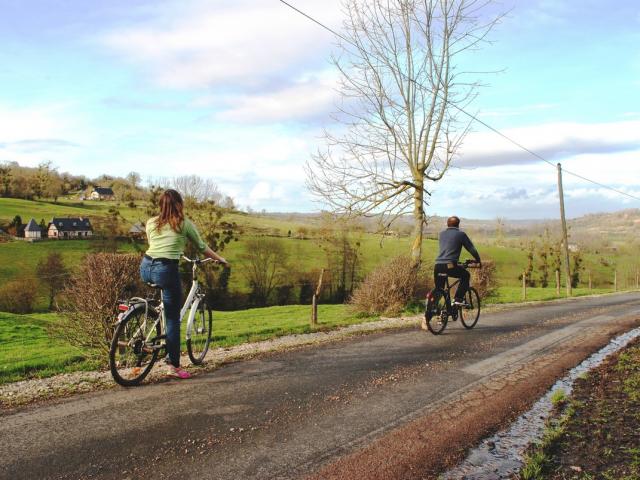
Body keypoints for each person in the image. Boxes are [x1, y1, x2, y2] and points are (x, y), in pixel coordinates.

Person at [140, 189, 228, 379]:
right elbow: (202, 247)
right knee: (173, 319)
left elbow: (153, 244)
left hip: (146, 267)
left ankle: (156, 330)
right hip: (165, 269)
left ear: (161, 205)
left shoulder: (150, 223)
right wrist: (220, 258)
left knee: (164, 305)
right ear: (179, 204)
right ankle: (174, 366)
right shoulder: (184, 224)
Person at [425, 216, 481, 329]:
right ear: (458, 225)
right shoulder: (461, 235)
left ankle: (428, 316)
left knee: (439, 291)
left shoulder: (441, 234)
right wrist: (478, 260)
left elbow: (447, 249)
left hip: (438, 266)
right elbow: (471, 248)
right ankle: (458, 299)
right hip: (450, 265)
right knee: (466, 275)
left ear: (447, 224)